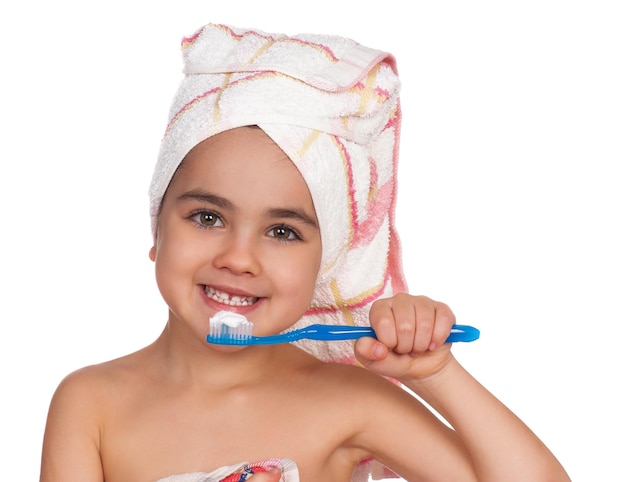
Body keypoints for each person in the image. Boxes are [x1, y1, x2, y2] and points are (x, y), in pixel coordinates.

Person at [40, 23, 570, 482]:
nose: (239, 258)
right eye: (208, 217)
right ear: (157, 229)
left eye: (283, 232)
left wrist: (437, 374)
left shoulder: (349, 401)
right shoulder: (91, 404)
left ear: (327, 260)